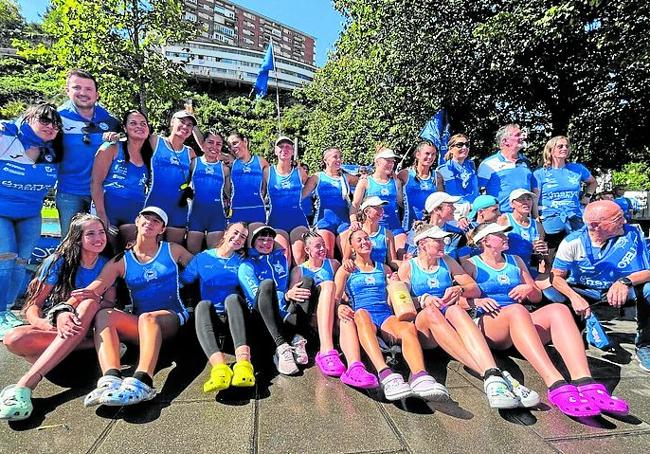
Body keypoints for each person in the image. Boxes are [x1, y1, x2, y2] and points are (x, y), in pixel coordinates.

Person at [461, 222, 628, 417]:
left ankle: (584, 380)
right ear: (485, 241)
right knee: (517, 310)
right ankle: (555, 383)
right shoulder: (471, 264)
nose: (506, 237)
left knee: (558, 310)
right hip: (491, 324)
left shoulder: (515, 260)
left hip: (520, 321)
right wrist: (477, 301)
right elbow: (460, 299)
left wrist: (529, 289)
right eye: (500, 235)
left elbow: (537, 297)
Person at [398, 224, 525, 409]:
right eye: (438, 241)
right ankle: (490, 374)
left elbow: (474, 288)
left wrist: (459, 289)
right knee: (433, 311)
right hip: (424, 328)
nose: (444, 243)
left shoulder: (448, 261)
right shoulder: (408, 267)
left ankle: (492, 373)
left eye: (444, 240)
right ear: (423, 244)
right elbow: (400, 302)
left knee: (456, 310)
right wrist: (423, 299)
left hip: (448, 321)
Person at [0, 214, 113, 421]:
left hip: (88, 326)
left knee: (89, 302)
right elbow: (32, 306)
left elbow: (109, 303)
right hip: (58, 330)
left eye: (101, 232)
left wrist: (75, 307)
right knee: (12, 339)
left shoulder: (107, 264)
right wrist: (44, 323)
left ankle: (25, 385)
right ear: (78, 238)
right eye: (90, 234)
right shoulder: (58, 262)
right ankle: (85, 345)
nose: (99, 238)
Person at [81, 207, 193, 407]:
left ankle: (144, 380)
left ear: (162, 229)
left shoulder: (173, 250)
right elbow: (96, 287)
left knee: (148, 318)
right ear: (137, 221)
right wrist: (66, 306)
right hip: (140, 324)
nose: (150, 222)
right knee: (104, 315)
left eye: (156, 221)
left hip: (172, 317)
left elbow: (202, 269)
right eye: (146, 218)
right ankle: (111, 379)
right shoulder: (122, 260)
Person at [334, 229, 449, 401]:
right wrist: (339, 308)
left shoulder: (384, 268)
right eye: (359, 240)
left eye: (367, 238)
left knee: (408, 328)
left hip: (385, 313)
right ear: (351, 246)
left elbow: (391, 300)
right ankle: (385, 373)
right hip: (362, 313)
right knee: (362, 314)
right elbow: (335, 298)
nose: (365, 242)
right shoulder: (347, 270)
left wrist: (395, 284)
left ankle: (419, 376)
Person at [550, 200, 650, 372]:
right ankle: (579, 332)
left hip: (623, 289)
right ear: (596, 225)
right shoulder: (572, 243)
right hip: (585, 290)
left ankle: (645, 344)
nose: (624, 221)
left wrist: (625, 281)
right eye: (617, 219)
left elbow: (648, 271)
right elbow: (556, 277)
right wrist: (575, 297)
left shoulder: (632, 235)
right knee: (553, 294)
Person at [0, 103, 61, 336]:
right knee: (4, 259)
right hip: (1, 211)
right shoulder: (6, 137)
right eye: (44, 121)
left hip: (30, 214)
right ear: (28, 119)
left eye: (55, 124)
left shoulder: (52, 151)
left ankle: (6, 312)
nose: (50, 127)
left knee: (21, 263)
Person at [181, 222, 255, 392]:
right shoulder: (203, 258)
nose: (237, 238)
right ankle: (219, 369)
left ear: (244, 243)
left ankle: (244, 363)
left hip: (236, 316)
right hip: (212, 318)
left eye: (242, 237)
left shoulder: (242, 262)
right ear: (225, 232)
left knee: (232, 298)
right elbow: (182, 282)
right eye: (235, 233)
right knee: (202, 305)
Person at [56, 69, 119, 234]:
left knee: (102, 242)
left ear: (97, 94)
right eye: (77, 87)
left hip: (103, 194)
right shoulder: (56, 118)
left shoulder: (109, 120)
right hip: (70, 193)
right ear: (67, 91)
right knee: (71, 244)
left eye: (89, 89)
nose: (83, 93)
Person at [238, 225, 305, 376]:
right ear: (253, 242)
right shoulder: (246, 265)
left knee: (306, 282)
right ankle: (282, 347)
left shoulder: (280, 259)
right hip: (261, 318)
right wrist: (286, 298)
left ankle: (297, 339)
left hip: (284, 311)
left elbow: (285, 289)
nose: (266, 243)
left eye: (270, 240)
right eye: (261, 239)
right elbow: (257, 297)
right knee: (267, 285)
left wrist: (289, 295)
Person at [287, 230, 347, 377]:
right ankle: (325, 349)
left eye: (324, 245)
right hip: (309, 315)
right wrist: (289, 294)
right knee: (327, 285)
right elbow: (293, 296)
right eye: (318, 246)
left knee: (330, 287)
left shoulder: (333, 264)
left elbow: (342, 292)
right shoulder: (298, 270)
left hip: (331, 312)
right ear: (307, 250)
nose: (323, 249)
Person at [91, 109, 152, 248]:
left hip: (134, 212)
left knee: (132, 253)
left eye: (143, 124)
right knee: (107, 252)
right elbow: (96, 183)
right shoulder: (111, 148)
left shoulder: (150, 155)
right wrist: (101, 215)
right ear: (124, 128)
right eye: (133, 123)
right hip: (108, 210)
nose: (139, 126)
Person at [533, 136, 596, 254]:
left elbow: (592, 182)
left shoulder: (577, 169)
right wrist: (536, 218)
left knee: (577, 254)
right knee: (549, 259)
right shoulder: (540, 173)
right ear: (550, 150)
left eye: (567, 146)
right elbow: (535, 199)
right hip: (550, 220)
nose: (564, 148)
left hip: (574, 218)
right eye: (560, 146)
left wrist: (586, 198)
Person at [143, 111, 198, 245]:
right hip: (154, 204)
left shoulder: (190, 152)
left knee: (172, 250)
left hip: (178, 207)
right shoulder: (155, 141)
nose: (185, 126)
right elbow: (131, 142)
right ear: (172, 121)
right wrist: (113, 137)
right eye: (182, 122)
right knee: (151, 247)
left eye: (189, 125)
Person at [301, 147, 357, 258]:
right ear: (325, 160)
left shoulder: (347, 178)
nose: (339, 159)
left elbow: (366, 182)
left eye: (340, 157)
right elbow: (301, 196)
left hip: (344, 221)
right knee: (327, 255)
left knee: (348, 257)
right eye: (335, 157)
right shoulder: (317, 177)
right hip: (324, 220)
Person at [351, 147, 407, 253]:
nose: (391, 164)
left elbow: (401, 204)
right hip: (372, 228)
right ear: (377, 162)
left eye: (392, 161)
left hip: (394, 227)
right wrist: (353, 221)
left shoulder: (396, 182)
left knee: (402, 253)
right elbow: (355, 204)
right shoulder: (365, 182)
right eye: (387, 161)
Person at [264, 136, 309, 264]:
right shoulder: (267, 172)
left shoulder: (299, 172)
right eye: (281, 146)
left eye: (288, 147)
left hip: (298, 220)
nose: (285, 149)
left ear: (293, 152)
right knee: (283, 257)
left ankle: (299, 283)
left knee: (299, 257)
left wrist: (302, 196)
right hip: (276, 221)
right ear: (275, 151)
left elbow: (311, 183)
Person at [186, 130, 230, 254]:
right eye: (210, 142)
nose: (214, 147)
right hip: (195, 215)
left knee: (215, 257)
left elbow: (230, 194)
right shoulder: (194, 163)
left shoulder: (225, 169)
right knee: (192, 258)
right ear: (203, 144)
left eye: (218, 144)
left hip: (217, 216)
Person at [477, 124, 538, 215]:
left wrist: (535, 215)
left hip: (525, 218)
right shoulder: (488, 164)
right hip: (500, 218)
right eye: (517, 135)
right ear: (505, 141)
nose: (522, 137)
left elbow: (534, 191)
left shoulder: (526, 162)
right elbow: (477, 192)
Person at [496, 189, 548, 273]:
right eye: (521, 199)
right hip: (507, 267)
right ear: (512, 204)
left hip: (528, 268)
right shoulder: (503, 220)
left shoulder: (537, 226)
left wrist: (543, 251)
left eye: (528, 199)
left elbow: (540, 256)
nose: (526, 202)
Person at [341, 196, 399, 270]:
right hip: (359, 272)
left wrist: (406, 264)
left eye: (381, 207)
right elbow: (345, 259)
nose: (381, 210)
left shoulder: (388, 234)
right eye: (377, 207)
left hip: (380, 273)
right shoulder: (354, 231)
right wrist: (347, 263)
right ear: (366, 211)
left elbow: (392, 261)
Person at [227, 131, 269, 224]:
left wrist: (263, 192)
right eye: (230, 146)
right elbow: (205, 147)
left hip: (257, 210)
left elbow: (269, 179)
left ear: (245, 141)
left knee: (255, 238)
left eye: (235, 143)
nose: (233, 148)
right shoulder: (230, 161)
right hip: (237, 210)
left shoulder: (261, 161)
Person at [397, 140, 438, 231]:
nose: (430, 157)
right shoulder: (405, 174)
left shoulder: (437, 176)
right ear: (418, 155)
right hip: (409, 226)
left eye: (433, 154)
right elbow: (397, 201)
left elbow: (441, 201)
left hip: (431, 227)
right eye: (427, 153)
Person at [435, 134, 479, 206]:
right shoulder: (442, 170)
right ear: (451, 149)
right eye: (460, 145)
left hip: (474, 210)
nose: (464, 147)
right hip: (455, 212)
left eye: (467, 145)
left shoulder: (472, 166)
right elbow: (441, 198)